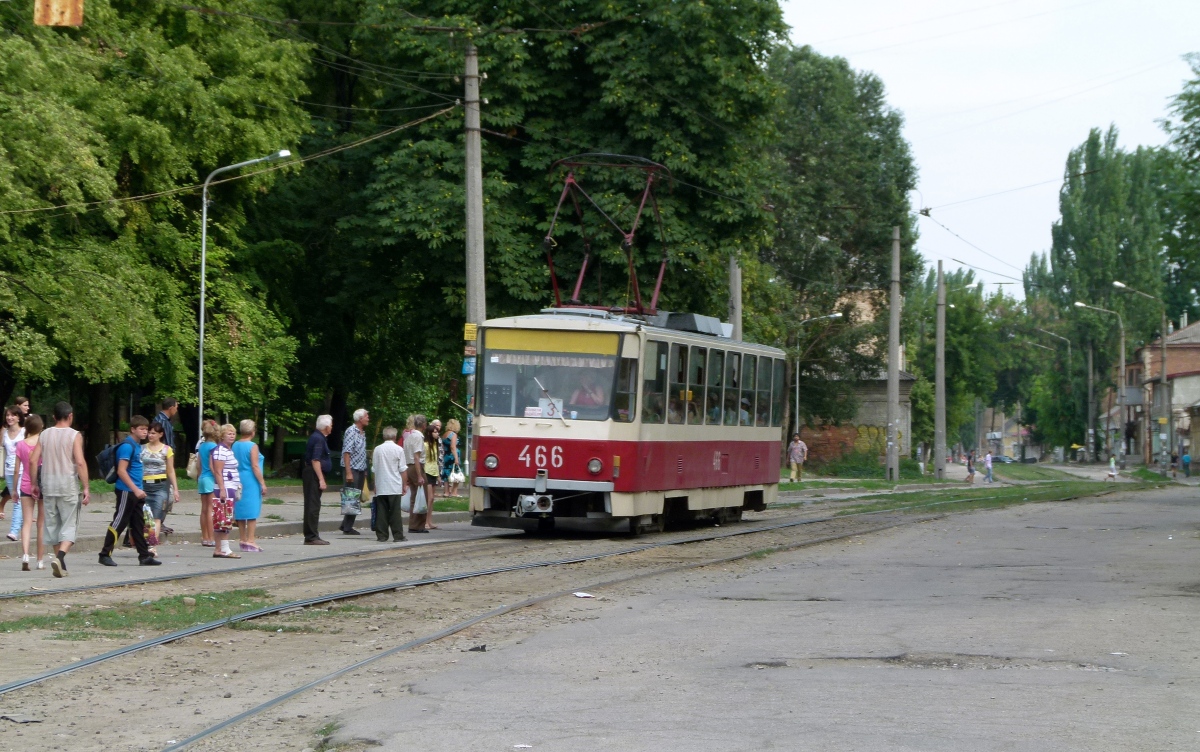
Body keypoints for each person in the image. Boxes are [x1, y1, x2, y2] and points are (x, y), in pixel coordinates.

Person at [29, 402, 89, 577]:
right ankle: (61, 556)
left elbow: (33, 460)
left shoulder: (44, 434)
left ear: (54, 417)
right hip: (67, 485)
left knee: (53, 525)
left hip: (48, 485)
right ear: (70, 416)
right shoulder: (74, 435)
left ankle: (60, 564)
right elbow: (79, 461)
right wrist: (86, 486)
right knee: (70, 523)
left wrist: (34, 484)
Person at [98, 416, 161, 567]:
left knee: (138, 524)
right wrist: (135, 489)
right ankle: (104, 554)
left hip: (137, 491)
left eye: (146, 429)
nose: (145, 432)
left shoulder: (138, 446)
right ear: (133, 429)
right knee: (119, 522)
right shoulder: (128, 446)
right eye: (141, 429)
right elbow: (121, 471)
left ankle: (144, 556)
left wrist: (139, 490)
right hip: (127, 491)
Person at [141, 421, 180, 550]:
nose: (150, 435)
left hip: (160, 486)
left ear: (160, 434)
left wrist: (175, 489)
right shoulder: (142, 448)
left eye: (153, 433)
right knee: (147, 516)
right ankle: (146, 543)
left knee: (157, 516)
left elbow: (170, 470)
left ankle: (152, 547)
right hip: (145, 485)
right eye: (149, 433)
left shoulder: (167, 450)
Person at [14, 414, 43, 571]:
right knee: (41, 523)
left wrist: (13, 489)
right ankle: (40, 560)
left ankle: (25, 555)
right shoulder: (42, 444)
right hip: (41, 484)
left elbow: (17, 469)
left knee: (26, 522)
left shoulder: (20, 444)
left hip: (25, 485)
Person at [232, 419, 267, 552]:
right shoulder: (252, 446)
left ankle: (242, 539)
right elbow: (255, 465)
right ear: (253, 432)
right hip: (251, 480)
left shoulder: (235, 445)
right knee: (252, 511)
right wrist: (262, 483)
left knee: (240, 509)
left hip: (238, 478)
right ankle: (251, 540)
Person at [209, 424, 241, 559]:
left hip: (230, 486)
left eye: (233, 433)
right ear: (222, 435)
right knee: (225, 518)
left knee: (221, 518)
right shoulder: (220, 450)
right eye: (229, 433)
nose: (232, 436)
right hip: (225, 487)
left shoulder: (228, 450)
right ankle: (225, 549)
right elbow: (217, 471)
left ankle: (219, 549)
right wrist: (222, 489)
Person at [371, 426, 408, 542]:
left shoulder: (377, 449)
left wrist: (375, 485)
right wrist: (404, 485)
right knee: (395, 513)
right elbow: (402, 469)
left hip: (381, 484)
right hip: (395, 485)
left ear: (383, 436)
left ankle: (381, 535)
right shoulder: (398, 449)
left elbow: (374, 469)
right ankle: (398, 535)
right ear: (395, 437)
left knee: (381, 512)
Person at [302, 415, 333, 545]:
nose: (332, 427)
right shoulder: (319, 439)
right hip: (313, 474)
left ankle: (312, 534)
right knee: (313, 505)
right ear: (326, 427)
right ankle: (311, 536)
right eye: (331, 425)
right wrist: (321, 479)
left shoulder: (317, 437)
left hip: (312, 473)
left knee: (312, 504)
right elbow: (315, 460)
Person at [339, 408, 369, 535]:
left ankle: (345, 524)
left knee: (355, 497)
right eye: (367, 416)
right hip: (352, 468)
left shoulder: (362, 432)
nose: (368, 418)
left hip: (360, 468)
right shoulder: (352, 431)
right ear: (360, 418)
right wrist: (349, 471)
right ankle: (347, 527)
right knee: (351, 496)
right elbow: (347, 452)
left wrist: (365, 469)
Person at [154, 398, 179, 535]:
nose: (177, 409)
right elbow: (167, 445)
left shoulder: (161, 420)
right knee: (164, 494)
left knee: (164, 495)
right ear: (171, 407)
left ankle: (159, 521)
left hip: (161, 462)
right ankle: (159, 521)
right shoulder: (163, 422)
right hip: (162, 464)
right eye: (176, 406)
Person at [195, 420, 220, 547]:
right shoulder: (214, 447)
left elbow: (198, 465)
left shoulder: (202, 446)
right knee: (211, 509)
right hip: (211, 478)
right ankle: (211, 537)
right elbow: (213, 466)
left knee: (204, 509)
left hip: (202, 478)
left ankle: (204, 536)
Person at [3, 406, 25, 541]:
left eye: (13, 415)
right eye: (7, 415)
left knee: (18, 499)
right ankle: (22, 526)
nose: (10, 418)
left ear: (18, 417)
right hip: (8, 470)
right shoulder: (4, 432)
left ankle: (14, 531)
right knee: (15, 499)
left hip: (22, 470)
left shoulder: (24, 432)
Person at [404, 415, 428, 534]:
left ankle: (413, 524)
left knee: (414, 496)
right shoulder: (418, 437)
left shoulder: (409, 436)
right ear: (424, 425)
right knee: (422, 495)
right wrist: (419, 475)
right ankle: (418, 525)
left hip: (408, 466)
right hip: (416, 467)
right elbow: (416, 456)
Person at [442, 418, 462, 498]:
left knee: (446, 473)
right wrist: (456, 458)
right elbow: (453, 446)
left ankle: (446, 492)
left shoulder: (445, 434)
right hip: (452, 456)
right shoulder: (453, 435)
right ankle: (454, 492)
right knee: (456, 473)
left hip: (446, 455)